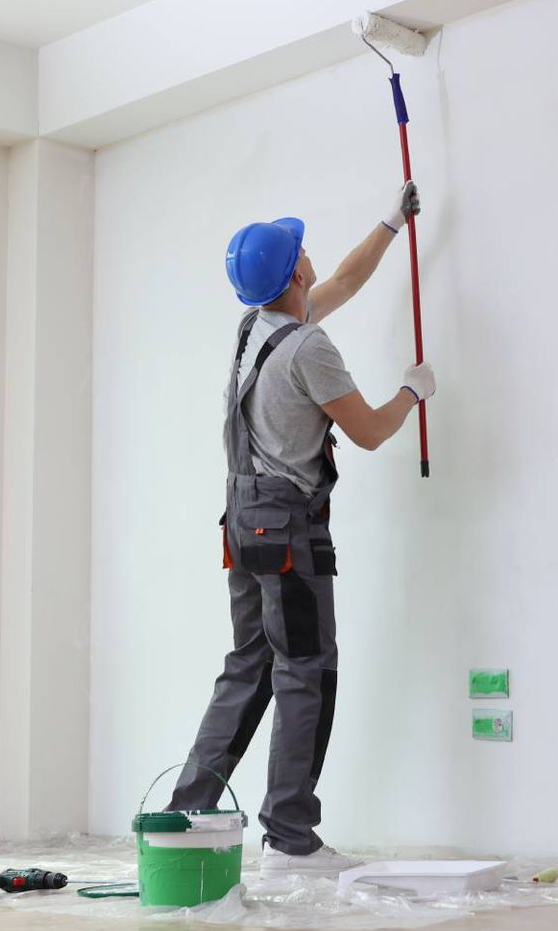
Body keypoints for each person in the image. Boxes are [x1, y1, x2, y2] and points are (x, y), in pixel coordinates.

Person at [168, 182, 435, 874]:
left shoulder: (258, 326)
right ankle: (290, 836)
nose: (312, 254)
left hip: (243, 522)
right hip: (289, 532)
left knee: (248, 666)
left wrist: (390, 221)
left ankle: (186, 815)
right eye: (301, 251)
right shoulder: (308, 347)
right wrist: (413, 391)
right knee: (306, 670)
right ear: (294, 275)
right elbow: (371, 432)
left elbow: (345, 277)